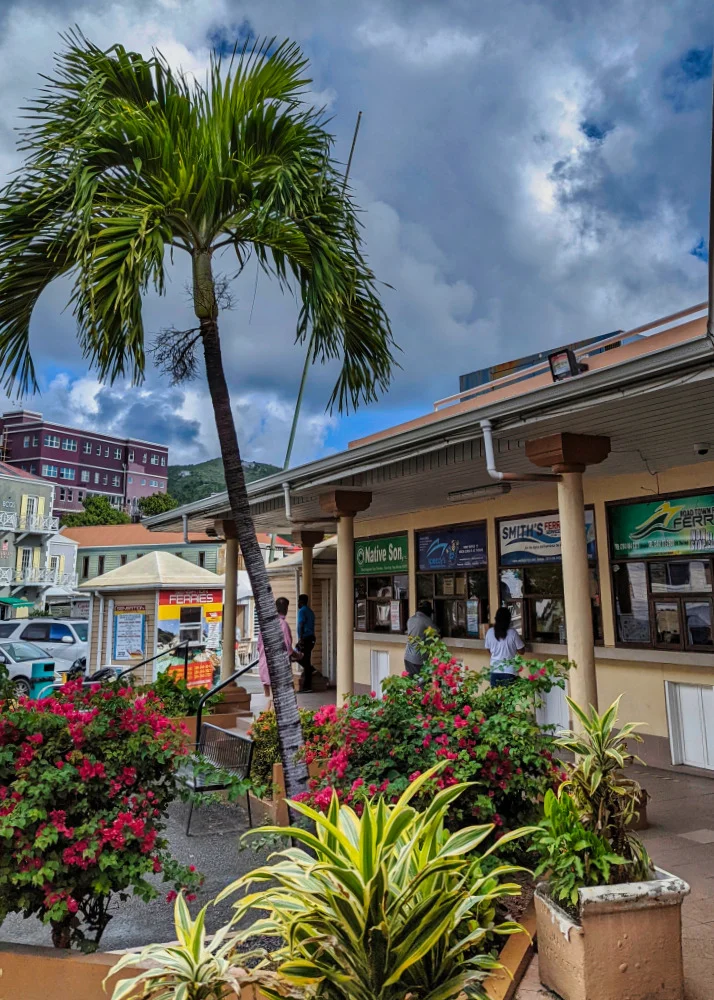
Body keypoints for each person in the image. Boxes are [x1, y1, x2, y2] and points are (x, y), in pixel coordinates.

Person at [257, 597, 297, 699]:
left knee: (269, 698)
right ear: (286, 609)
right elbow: (288, 649)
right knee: (278, 700)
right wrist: (298, 655)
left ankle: (267, 713)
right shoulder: (283, 625)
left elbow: (259, 646)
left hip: (264, 666)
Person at [485, 606, 525, 687]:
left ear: (496, 618)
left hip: (495, 671)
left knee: (496, 698)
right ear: (509, 620)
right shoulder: (513, 633)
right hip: (509, 671)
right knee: (509, 698)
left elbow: (488, 650)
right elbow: (522, 651)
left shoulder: (489, 632)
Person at [404, 601, 437, 677]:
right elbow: (436, 632)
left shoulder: (410, 619)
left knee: (412, 684)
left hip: (408, 657)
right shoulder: (426, 620)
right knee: (422, 684)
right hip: (418, 659)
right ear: (427, 611)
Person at [297, 593, 316, 692]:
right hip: (311, 638)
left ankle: (307, 686)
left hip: (306, 638)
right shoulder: (310, 611)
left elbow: (301, 624)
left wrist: (300, 638)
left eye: (298, 602)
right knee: (305, 659)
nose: (298, 604)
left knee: (296, 655)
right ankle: (310, 670)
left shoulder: (302, 611)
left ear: (301, 602)